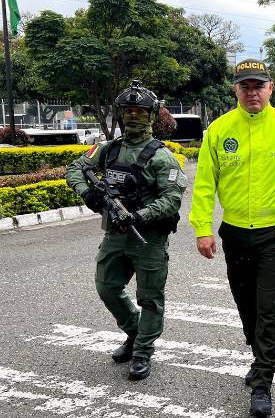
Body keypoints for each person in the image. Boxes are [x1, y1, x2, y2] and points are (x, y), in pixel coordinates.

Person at [189, 59, 275, 418]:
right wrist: (202, 228)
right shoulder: (219, 130)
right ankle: (262, 357)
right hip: (236, 234)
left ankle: (262, 383)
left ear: (271, 88)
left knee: (270, 307)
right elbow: (205, 183)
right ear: (235, 90)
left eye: (259, 85)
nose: (252, 92)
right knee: (247, 307)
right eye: (245, 86)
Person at [66, 81, 187, 381]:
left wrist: (139, 215)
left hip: (148, 238)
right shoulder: (109, 149)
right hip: (114, 235)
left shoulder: (161, 157)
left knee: (150, 298)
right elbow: (74, 169)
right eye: (128, 111)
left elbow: (172, 198)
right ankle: (134, 333)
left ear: (151, 116)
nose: (133, 116)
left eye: (140, 111)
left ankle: (143, 351)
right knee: (106, 286)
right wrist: (89, 195)